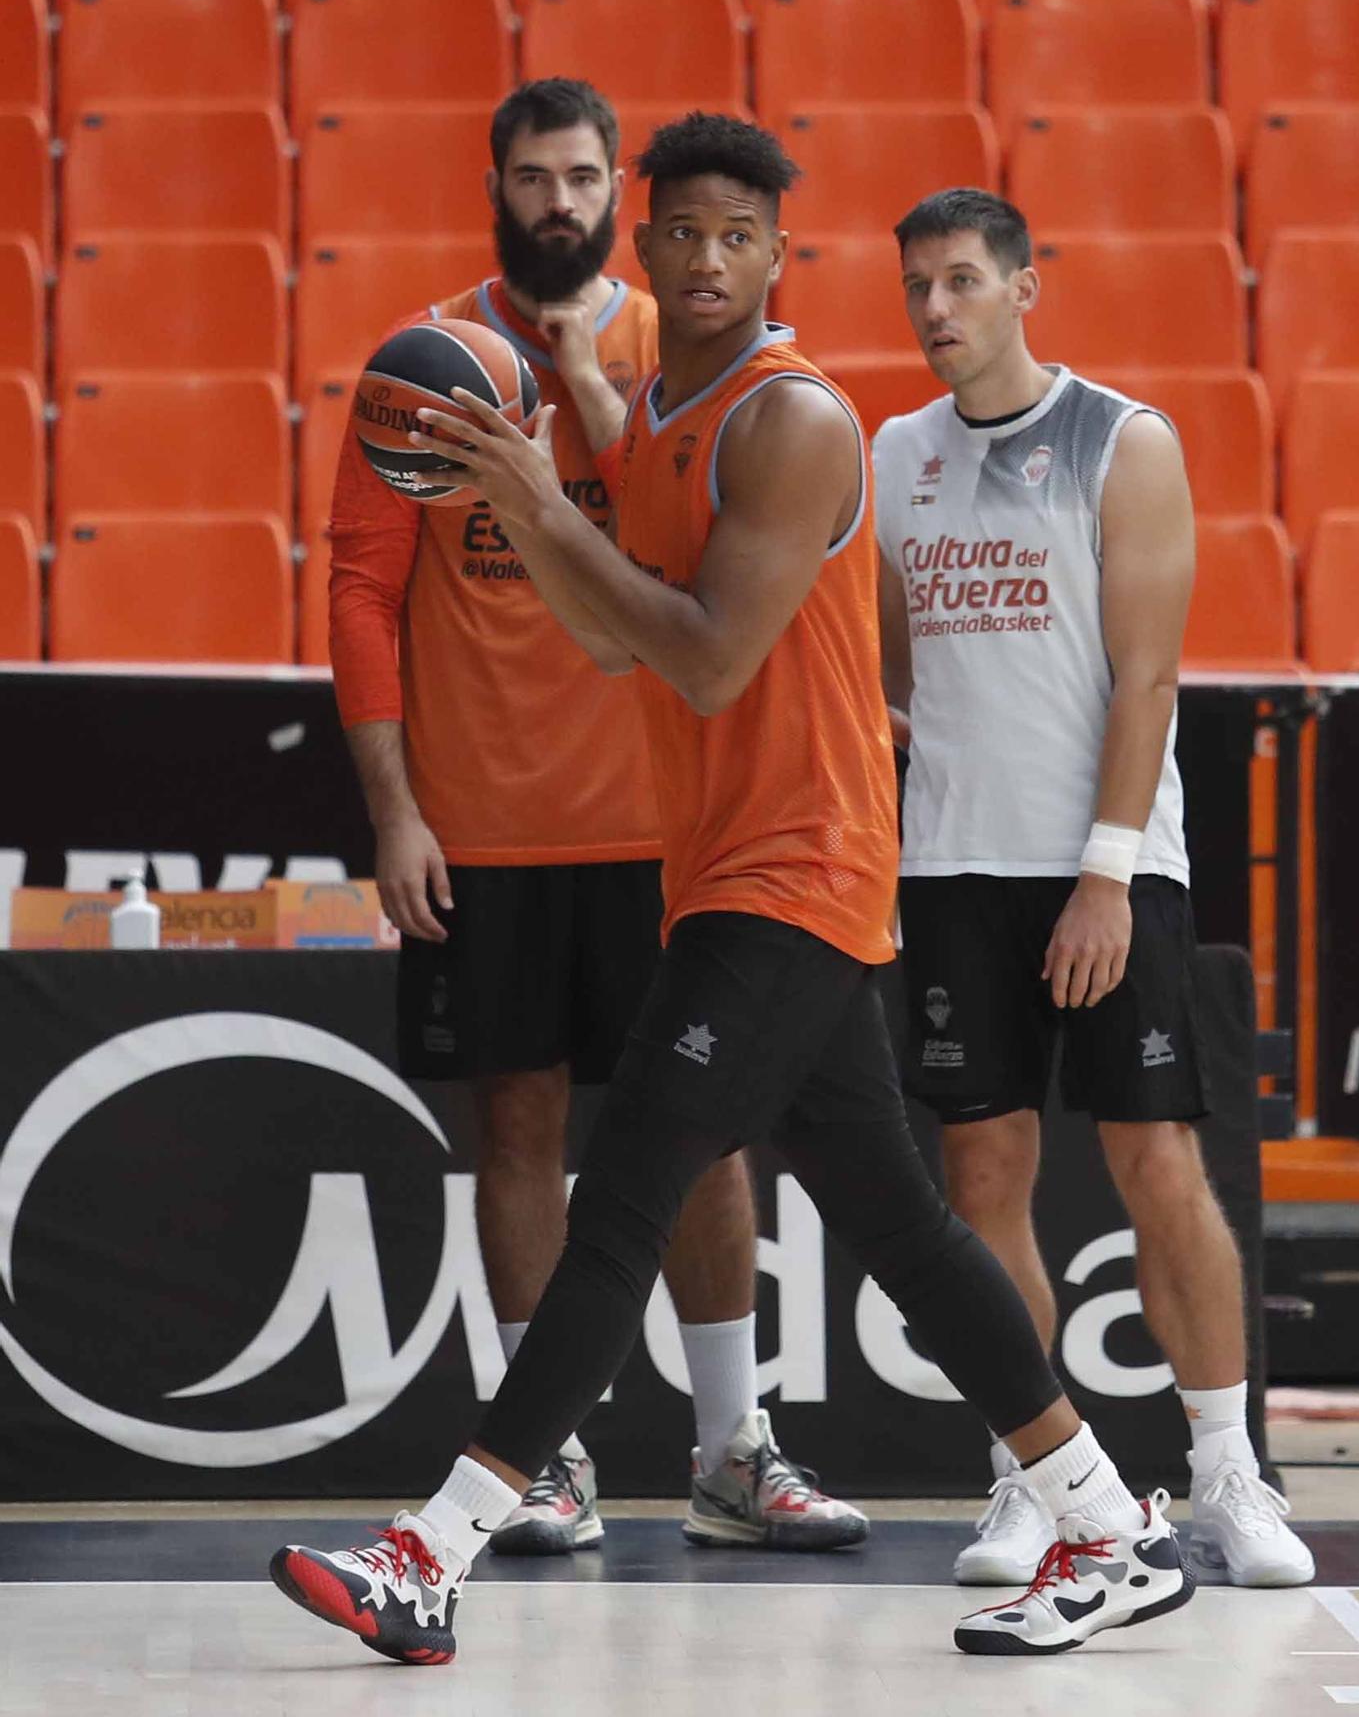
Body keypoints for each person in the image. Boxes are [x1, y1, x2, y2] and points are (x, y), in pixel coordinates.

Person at [272, 115, 1196, 1666]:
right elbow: (613, 633)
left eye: (735, 238)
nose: (703, 258)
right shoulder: (650, 417)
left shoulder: (794, 421)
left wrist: (538, 496)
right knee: (901, 1224)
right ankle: (1108, 1519)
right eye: (680, 231)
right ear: (645, 247)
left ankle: (432, 1552)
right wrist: (528, 479)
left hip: (801, 863)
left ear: (777, 259)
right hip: (721, 865)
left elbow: (702, 653)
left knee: (622, 1191)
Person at [327, 78, 861, 1557]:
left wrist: (596, 385)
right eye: (530, 176)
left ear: (616, 192)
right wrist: (393, 811)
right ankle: (545, 1456)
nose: (556, 200)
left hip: (660, 824)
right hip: (484, 822)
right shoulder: (423, 362)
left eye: (579, 178)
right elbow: (363, 592)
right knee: (516, 1121)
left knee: (694, 1136)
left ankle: (728, 1446)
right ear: (494, 185)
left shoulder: (674, 348)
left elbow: (701, 559)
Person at [872, 187, 1314, 1592]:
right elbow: (891, 670)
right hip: (950, 864)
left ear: (1022, 287)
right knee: (983, 1176)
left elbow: (1149, 677)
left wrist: (1105, 875)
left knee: (1153, 1162)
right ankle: (1031, 1477)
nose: (934, 309)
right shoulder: (891, 453)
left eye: (958, 281)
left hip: (1111, 867)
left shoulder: (1119, 442)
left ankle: (1228, 1473)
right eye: (915, 288)